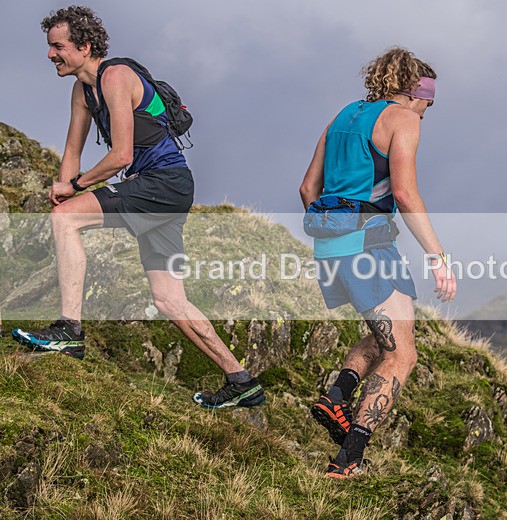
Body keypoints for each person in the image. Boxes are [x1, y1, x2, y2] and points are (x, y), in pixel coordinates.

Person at [11, 6, 264, 409]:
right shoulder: (82, 91)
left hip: (163, 184)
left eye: (57, 47)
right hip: (161, 190)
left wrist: (74, 189)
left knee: (65, 220)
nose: (50, 55)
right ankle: (241, 380)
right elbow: (73, 149)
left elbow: (122, 155)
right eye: (49, 47)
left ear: (85, 46)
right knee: (168, 301)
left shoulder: (116, 77)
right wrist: (64, 186)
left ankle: (69, 330)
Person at [300, 47, 457, 478]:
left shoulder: (343, 116)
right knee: (403, 356)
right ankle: (347, 461)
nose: (427, 112)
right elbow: (405, 194)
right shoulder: (402, 119)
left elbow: (307, 187)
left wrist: (333, 230)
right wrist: (439, 259)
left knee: (386, 332)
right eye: (429, 102)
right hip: (369, 246)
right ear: (415, 93)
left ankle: (336, 398)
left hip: (331, 246)